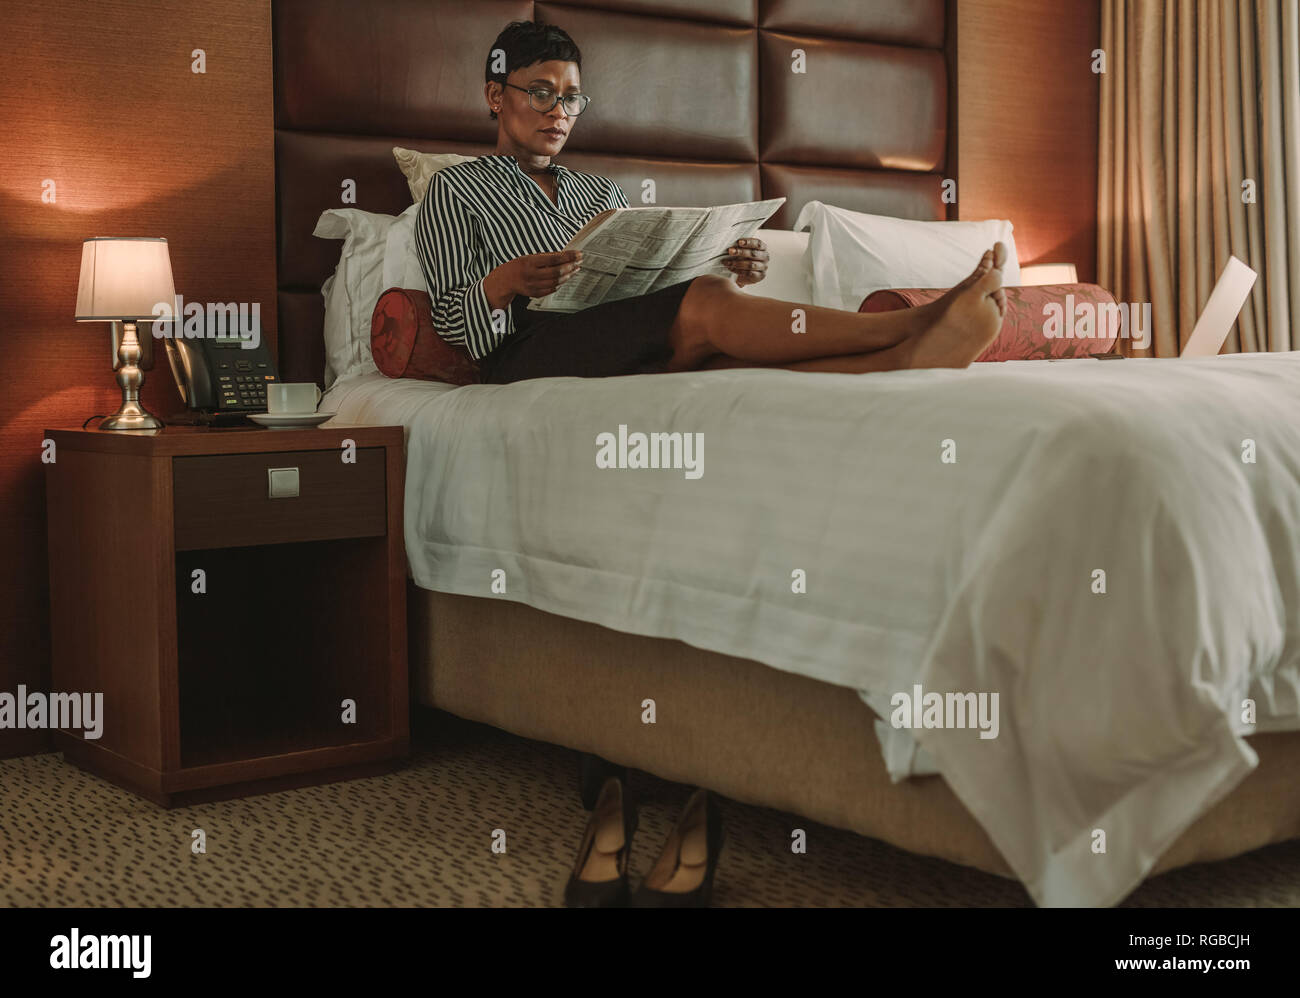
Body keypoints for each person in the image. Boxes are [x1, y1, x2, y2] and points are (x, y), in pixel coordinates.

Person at [414, 20, 1007, 385]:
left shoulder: (599, 192)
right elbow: (447, 321)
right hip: (525, 351)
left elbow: (644, 290)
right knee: (703, 306)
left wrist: (720, 263)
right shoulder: (453, 188)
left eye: (572, 98)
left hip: (617, 332)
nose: (558, 112)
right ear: (496, 95)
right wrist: (504, 283)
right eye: (540, 92)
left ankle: (896, 364)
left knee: (715, 351)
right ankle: (908, 323)